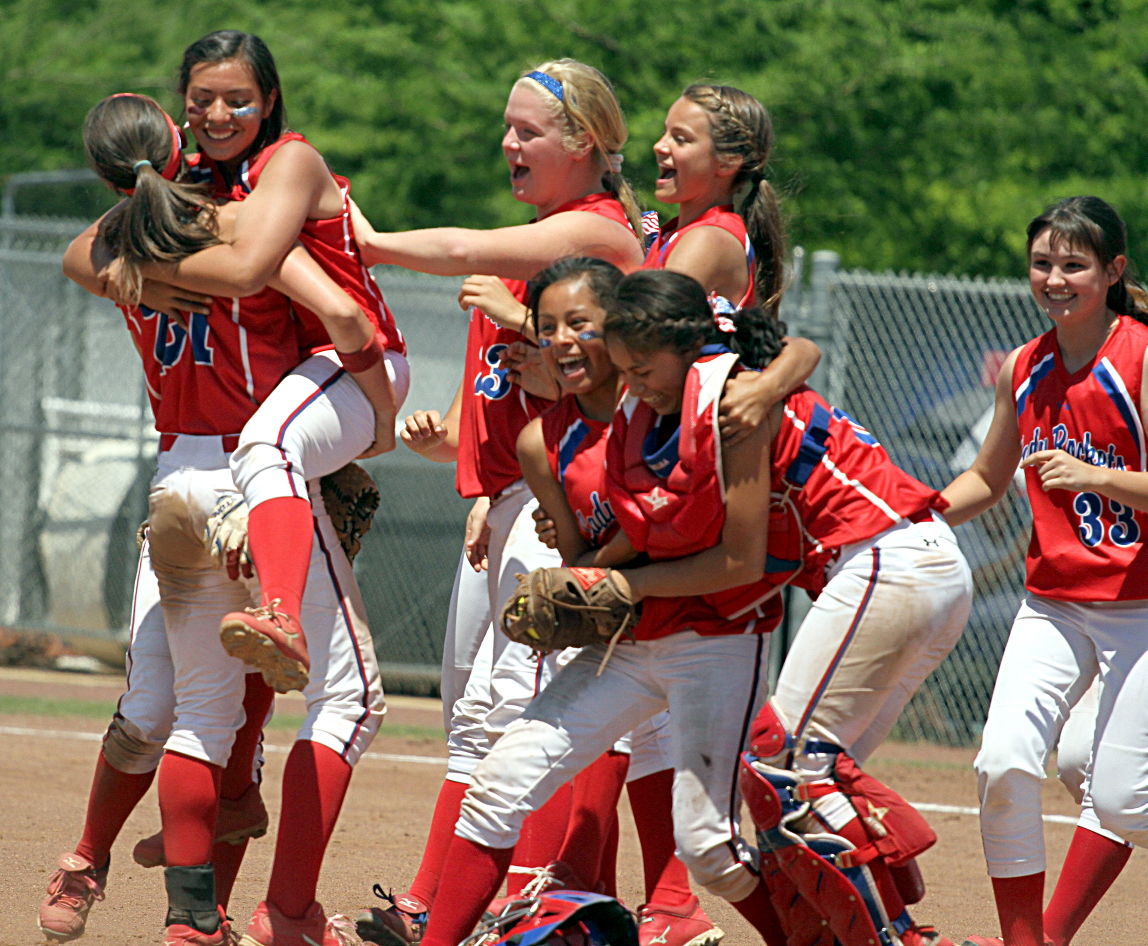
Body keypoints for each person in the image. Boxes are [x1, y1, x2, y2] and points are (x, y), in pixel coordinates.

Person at [52, 91, 391, 946]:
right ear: (181, 143)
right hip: (254, 477)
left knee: (182, 706)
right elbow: (334, 309)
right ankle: (258, 903)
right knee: (283, 702)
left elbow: (74, 256)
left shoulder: (123, 243)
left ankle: (171, 908)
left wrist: (143, 267)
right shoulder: (240, 229)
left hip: (176, 479)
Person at [350, 59, 648, 945]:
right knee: (480, 713)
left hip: (566, 500)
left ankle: (531, 901)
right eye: (508, 127)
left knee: (536, 709)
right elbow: (518, 389)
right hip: (512, 494)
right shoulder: (537, 247)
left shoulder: (594, 233)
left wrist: (367, 240)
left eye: (528, 131)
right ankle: (447, 902)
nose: (508, 144)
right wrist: (469, 461)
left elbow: (600, 376)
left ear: (584, 143)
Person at [90, 30, 408, 697]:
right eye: (203, 99)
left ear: (269, 101)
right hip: (296, 387)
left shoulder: (285, 162)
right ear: (182, 107)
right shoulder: (196, 183)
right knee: (200, 708)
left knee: (268, 448)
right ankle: (277, 628)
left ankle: (282, 612)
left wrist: (141, 263)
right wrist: (134, 266)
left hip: (357, 358)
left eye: (238, 99)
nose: (219, 114)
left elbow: (247, 269)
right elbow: (76, 255)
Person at [940, 196, 1148, 946]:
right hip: (1055, 601)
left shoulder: (1140, 355)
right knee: (1002, 763)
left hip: (1141, 603)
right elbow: (987, 480)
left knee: (1120, 797)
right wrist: (912, 512)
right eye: (1042, 263)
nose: (1054, 277)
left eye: (1074, 264)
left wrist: (1098, 478)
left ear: (1113, 270)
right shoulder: (1024, 368)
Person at [515, 256, 724, 946]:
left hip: (713, 602)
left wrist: (596, 574)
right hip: (645, 603)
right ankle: (627, 898)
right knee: (616, 723)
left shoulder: (658, 405)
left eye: (581, 323)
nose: (563, 339)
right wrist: (580, 577)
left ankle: (601, 887)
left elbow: (664, 521)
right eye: (548, 327)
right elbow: (586, 548)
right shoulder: (555, 435)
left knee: (751, 782)